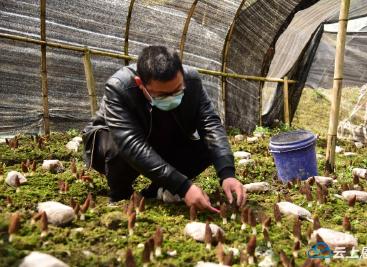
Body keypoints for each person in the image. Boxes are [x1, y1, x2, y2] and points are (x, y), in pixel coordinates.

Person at [82, 46, 246, 212]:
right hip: (111, 143)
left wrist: (227, 174)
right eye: (162, 95)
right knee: (117, 145)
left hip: (159, 136)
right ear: (140, 84)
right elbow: (131, 144)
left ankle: (157, 189)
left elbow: (211, 124)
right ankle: (121, 193)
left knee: (206, 145)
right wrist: (184, 187)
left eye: (177, 90)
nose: (172, 98)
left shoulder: (192, 81)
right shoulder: (119, 87)